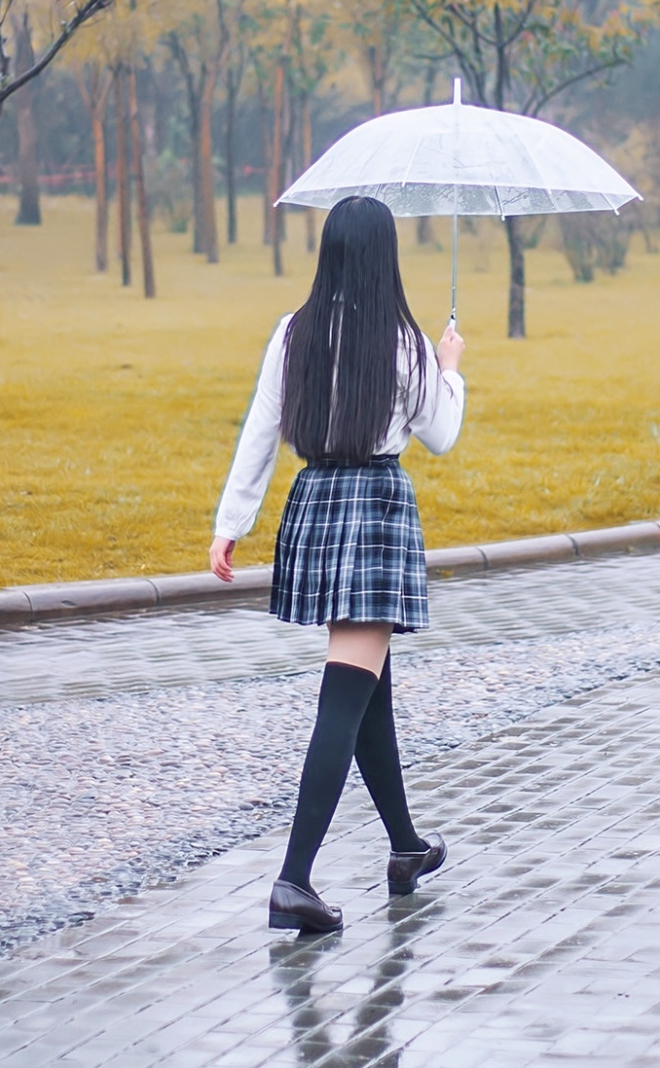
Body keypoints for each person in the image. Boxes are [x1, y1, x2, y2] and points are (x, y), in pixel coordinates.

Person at [209, 195, 466, 935]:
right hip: (375, 509)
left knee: (367, 691)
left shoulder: (294, 333)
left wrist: (232, 524)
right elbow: (441, 435)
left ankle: (405, 848)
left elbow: (261, 429)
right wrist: (449, 369)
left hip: (316, 501)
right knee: (345, 697)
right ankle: (293, 880)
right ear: (386, 257)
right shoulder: (406, 342)